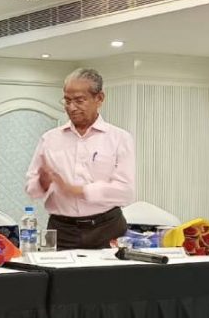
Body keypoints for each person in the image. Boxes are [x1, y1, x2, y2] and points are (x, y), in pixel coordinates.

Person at [24, 68, 135, 250]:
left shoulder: (119, 138)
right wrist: (42, 183)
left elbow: (125, 192)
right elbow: (31, 190)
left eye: (79, 100)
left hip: (107, 228)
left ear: (99, 98)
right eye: (67, 101)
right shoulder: (50, 139)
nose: (71, 107)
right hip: (61, 230)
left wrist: (80, 191)